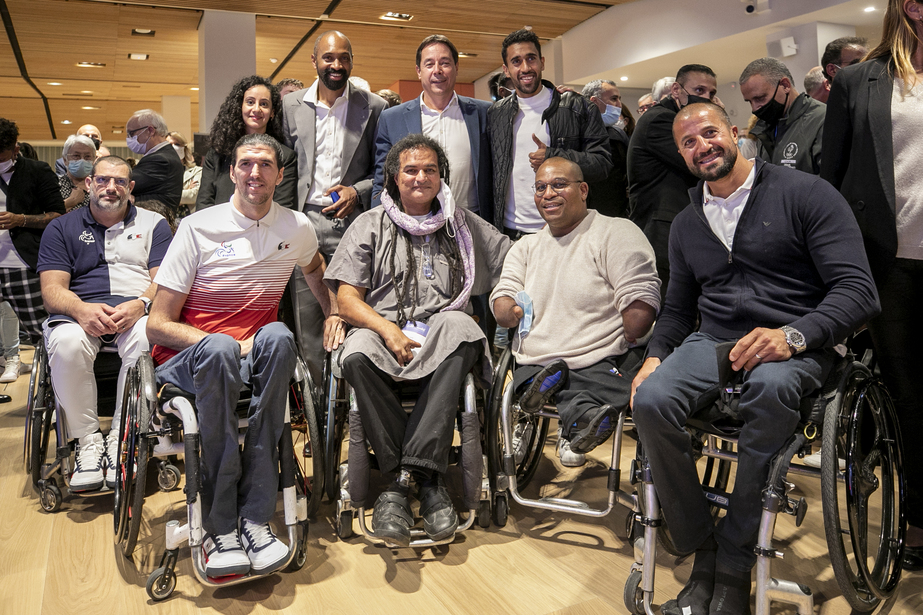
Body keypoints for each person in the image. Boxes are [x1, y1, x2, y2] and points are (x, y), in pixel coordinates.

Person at [630, 102, 879, 615]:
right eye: (688, 142)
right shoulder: (686, 222)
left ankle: (735, 559)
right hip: (716, 339)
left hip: (800, 338)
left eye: (709, 133)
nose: (702, 147)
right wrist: (654, 357)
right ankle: (702, 544)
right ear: (680, 154)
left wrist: (793, 335)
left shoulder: (806, 194)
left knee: (770, 387)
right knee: (650, 399)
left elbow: (858, 291)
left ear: (733, 131)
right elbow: (676, 310)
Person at [146, 132, 343, 578]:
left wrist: (334, 312)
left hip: (253, 358)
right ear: (233, 172)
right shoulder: (198, 228)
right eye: (246, 164)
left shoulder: (296, 227)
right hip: (191, 358)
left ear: (280, 174)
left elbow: (315, 268)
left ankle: (255, 518)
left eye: (265, 164)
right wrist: (232, 344)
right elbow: (157, 324)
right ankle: (219, 526)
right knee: (219, 346)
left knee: (279, 336)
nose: (256, 172)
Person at [325, 134, 511, 547]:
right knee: (354, 356)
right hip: (382, 327)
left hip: (440, 330)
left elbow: (512, 258)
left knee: (463, 331)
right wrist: (387, 329)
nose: (421, 177)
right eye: (411, 170)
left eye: (430, 170)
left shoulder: (462, 224)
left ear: (441, 176)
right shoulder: (369, 224)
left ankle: (401, 481)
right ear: (394, 177)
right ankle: (426, 482)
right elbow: (348, 300)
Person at [820, 0, 923, 572]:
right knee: (909, 396)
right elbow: (832, 180)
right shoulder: (860, 81)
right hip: (891, 263)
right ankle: (917, 515)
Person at [491, 157, 659, 466]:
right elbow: (504, 293)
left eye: (558, 185)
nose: (548, 194)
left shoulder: (615, 232)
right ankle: (578, 422)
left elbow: (639, 302)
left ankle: (578, 422)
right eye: (540, 187)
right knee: (545, 374)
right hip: (540, 357)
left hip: (598, 355)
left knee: (600, 376)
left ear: (583, 190)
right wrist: (507, 308)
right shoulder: (524, 246)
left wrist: (635, 320)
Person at [37, 155, 172, 492]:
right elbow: (52, 290)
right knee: (67, 343)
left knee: (148, 337)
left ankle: (122, 438)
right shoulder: (61, 227)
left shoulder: (155, 224)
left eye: (120, 181)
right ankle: (87, 443)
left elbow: (165, 281)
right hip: (79, 312)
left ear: (131, 188)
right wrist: (81, 310)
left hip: (136, 311)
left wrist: (141, 304)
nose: (111, 187)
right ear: (88, 184)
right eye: (102, 180)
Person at [281, 30, 387, 377]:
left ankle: (351, 393)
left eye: (344, 57)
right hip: (304, 223)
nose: (336, 65)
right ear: (314, 61)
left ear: (352, 61)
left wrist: (357, 190)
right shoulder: (290, 106)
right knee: (309, 320)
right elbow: (284, 167)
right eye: (328, 57)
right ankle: (317, 398)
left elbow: (383, 169)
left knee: (353, 312)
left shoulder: (374, 107)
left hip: (353, 223)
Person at [487, 28, 611, 239]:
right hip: (509, 233)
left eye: (531, 58)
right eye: (516, 61)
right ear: (506, 70)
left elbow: (602, 164)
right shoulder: (496, 114)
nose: (526, 68)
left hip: (564, 231)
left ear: (542, 62)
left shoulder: (577, 107)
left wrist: (554, 156)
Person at [373, 34, 492, 225]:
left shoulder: (483, 113)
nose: (437, 70)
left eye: (445, 63)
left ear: (456, 68)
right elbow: (382, 181)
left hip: (473, 222)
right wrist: (379, 226)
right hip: (414, 224)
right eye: (429, 64)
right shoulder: (392, 119)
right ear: (419, 71)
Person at [627, 64, 718, 298]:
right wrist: (719, 120)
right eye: (699, 90)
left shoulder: (676, 119)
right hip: (661, 228)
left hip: (675, 222)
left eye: (711, 93)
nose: (706, 98)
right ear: (676, 90)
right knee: (672, 301)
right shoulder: (661, 120)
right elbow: (703, 164)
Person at [0, 118, 66, 354]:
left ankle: (52, 374)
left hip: (24, 265)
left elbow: (58, 215)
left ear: (15, 149)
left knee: (43, 333)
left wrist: (21, 219)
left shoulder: (37, 171)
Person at [196, 76, 298, 212]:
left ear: (272, 112)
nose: (256, 109)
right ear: (240, 107)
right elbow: (204, 203)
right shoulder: (217, 153)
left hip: (267, 224)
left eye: (264, 104)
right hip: (219, 223)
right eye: (250, 102)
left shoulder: (285, 156)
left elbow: (283, 206)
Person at [739, 57, 825, 174]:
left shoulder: (822, 119)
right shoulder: (765, 127)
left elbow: (830, 180)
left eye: (760, 98)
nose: (754, 108)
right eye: (750, 101)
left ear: (785, 85)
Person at [581, 79, 630, 218]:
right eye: (614, 99)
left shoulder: (618, 135)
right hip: (583, 214)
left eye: (619, 99)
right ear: (594, 101)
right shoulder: (574, 134)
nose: (619, 104)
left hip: (616, 214)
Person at [125, 109, 184, 213]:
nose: (129, 138)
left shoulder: (161, 159)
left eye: (131, 133)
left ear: (150, 131)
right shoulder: (162, 155)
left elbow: (124, 184)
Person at [58, 135, 97, 212]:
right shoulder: (55, 184)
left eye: (87, 156)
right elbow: (47, 214)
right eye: (76, 156)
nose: (82, 160)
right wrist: (71, 201)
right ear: (65, 160)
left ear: (94, 159)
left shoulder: (99, 185)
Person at [166, 131, 202, 215]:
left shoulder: (197, 171)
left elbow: (194, 196)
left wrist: (169, 196)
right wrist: (187, 190)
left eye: (177, 144)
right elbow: (157, 198)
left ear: (184, 148)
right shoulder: (159, 172)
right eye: (169, 145)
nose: (173, 147)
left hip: (189, 217)